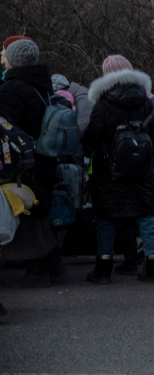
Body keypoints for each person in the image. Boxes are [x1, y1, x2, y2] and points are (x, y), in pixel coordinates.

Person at [96, 55, 154, 273]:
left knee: (149, 208)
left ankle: (144, 255)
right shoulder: (145, 97)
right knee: (148, 208)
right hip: (146, 162)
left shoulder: (106, 101)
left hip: (125, 166)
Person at [82, 65, 154, 284]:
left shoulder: (102, 104)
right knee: (146, 217)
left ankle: (103, 269)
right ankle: (153, 267)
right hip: (142, 171)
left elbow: (91, 137)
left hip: (109, 171)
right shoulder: (146, 102)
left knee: (106, 218)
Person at [0, 37, 68, 288]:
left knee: (25, 210)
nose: (1, 56)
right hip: (45, 157)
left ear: (15, 59)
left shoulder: (13, 88)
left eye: (5, 53)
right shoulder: (42, 85)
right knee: (35, 209)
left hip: (23, 162)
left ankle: (38, 270)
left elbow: (6, 128)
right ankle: (54, 265)